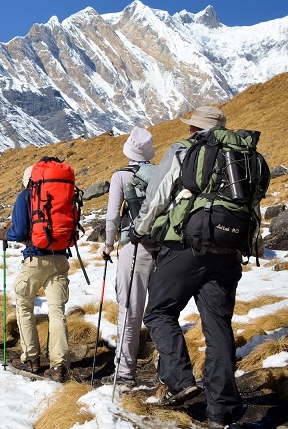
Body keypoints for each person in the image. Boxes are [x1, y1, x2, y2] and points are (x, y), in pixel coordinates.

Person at [131, 106, 247, 427]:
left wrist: (140, 228)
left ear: (194, 128)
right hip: (228, 250)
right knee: (218, 326)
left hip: (184, 245)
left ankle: (180, 382)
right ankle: (221, 411)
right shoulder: (240, 156)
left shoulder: (185, 150)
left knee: (158, 311)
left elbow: (158, 193)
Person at [0, 166, 71, 382]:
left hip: (35, 259)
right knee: (57, 312)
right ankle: (59, 366)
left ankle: (31, 358)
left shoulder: (26, 196)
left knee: (24, 305)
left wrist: (5, 234)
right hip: (60, 258)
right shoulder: (61, 194)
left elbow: (19, 231)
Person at [99, 127, 156, 387]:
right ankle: (167, 369)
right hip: (165, 249)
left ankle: (124, 373)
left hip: (135, 247)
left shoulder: (121, 176)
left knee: (130, 310)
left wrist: (108, 245)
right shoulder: (161, 173)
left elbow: (113, 216)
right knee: (161, 311)